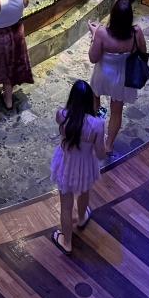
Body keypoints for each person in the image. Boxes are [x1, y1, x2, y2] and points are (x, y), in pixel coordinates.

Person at [48, 79, 105, 255]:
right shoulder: (97, 125)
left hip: (65, 164)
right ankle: (81, 218)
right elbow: (101, 154)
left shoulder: (62, 115)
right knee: (84, 192)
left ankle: (66, 242)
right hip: (85, 165)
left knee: (66, 206)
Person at [88, 0, 143, 160]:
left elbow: (93, 58)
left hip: (103, 74)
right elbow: (142, 53)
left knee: (95, 100)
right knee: (116, 111)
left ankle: (96, 132)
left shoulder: (102, 33)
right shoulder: (137, 33)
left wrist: (94, 35)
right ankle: (109, 145)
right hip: (122, 77)